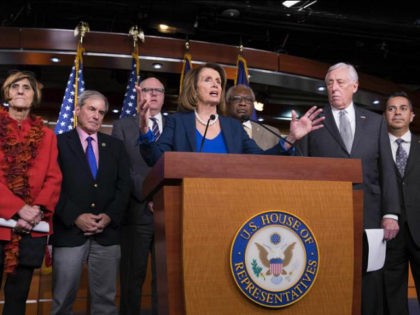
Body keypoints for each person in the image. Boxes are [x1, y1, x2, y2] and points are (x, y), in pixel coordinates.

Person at [297, 62, 400, 315]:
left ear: (354, 86)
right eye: (329, 83)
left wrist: (391, 214)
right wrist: (295, 139)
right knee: (330, 275)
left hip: (370, 215)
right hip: (325, 216)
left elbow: (387, 169)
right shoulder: (313, 121)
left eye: (340, 82)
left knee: (370, 278)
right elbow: (301, 172)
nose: (333, 88)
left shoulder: (375, 123)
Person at [138, 63, 324, 166]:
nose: (215, 85)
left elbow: (260, 160)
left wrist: (290, 138)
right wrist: (145, 129)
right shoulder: (177, 122)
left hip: (231, 198)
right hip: (190, 201)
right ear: (194, 89)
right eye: (208, 80)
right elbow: (155, 159)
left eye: (218, 81)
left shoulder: (233, 126)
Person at [51, 90, 131, 315]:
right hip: (69, 232)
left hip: (107, 235)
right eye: (91, 109)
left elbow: (124, 186)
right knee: (62, 299)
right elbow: (52, 186)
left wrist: (109, 216)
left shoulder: (115, 146)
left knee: (105, 301)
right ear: (77, 111)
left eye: (101, 112)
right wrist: (74, 216)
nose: (97, 115)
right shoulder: (58, 143)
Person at [0, 70, 62, 315]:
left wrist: (35, 210)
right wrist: (17, 209)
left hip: (32, 227)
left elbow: (54, 177)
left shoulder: (47, 135)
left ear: (34, 95)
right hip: (1, 223)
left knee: (18, 297)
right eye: (15, 87)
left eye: (27, 87)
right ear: (7, 93)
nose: (20, 91)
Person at [112, 77, 165, 315]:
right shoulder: (123, 125)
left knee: (166, 279)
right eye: (147, 90)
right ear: (138, 94)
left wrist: (164, 198)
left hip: (170, 211)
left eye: (158, 90)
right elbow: (123, 168)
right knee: (133, 277)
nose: (153, 94)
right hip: (138, 211)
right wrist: (151, 194)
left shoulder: (176, 125)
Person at [383, 91, 419, 315]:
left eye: (403, 108)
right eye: (391, 108)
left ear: (412, 116)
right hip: (389, 234)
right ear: (385, 115)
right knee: (392, 295)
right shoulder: (376, 149)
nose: (397, 113)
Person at [226, 84, 280, 150]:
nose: (243, 103)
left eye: (248, 100)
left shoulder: (272, 134)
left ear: (253, 105)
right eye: (237, 99)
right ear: (227, 103)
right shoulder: (218, 129)